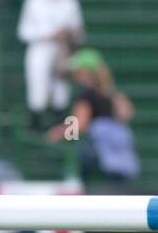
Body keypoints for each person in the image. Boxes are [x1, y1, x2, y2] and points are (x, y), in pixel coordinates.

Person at [46, 48, 140, 183]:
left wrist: (58, 133)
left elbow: (79, 124)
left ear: (84, 72)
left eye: (77, 71)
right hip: (116, 155)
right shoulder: (111, 93)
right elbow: (126, 113)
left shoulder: (86, 95)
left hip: (98, 153)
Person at [17, 0, 85, 129]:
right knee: (38, 84)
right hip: (41, 48)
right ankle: (36, 124)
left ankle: (59, 124)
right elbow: (24, 31)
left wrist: (68, 34)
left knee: (61, 86)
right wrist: (47, 35)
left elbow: (78, 30)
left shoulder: (70, 1)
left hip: (63, 49)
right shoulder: (34, 1)